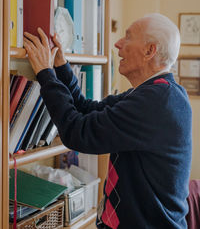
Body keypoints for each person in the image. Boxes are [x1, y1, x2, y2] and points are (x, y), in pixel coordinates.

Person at [23, 13, 192, 229]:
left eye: (128, 37)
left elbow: (77, 132)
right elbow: (85, 109)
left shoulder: (157, 102)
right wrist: (60, 66)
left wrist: (45, 74)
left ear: (150, 50)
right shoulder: (156, 93)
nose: (117, 43)